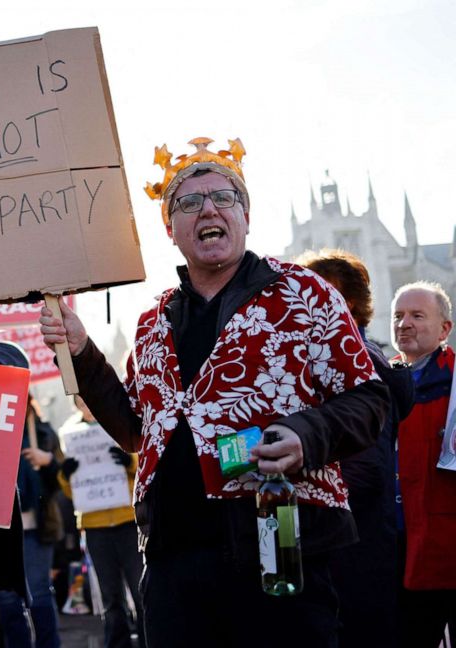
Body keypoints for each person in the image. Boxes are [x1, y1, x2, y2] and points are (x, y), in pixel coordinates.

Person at [39, 137, 389, 647]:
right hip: (172, 566)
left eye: (224, 197)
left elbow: (369, 398)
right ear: (170, 228)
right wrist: (82, 352)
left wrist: (305, 434)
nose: (209, 209)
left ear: (245, 215)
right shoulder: (152, 320)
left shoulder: (304, 294)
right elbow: (137, 430)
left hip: (278, 551)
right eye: (189, 202)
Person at [297, 249, 414, 647]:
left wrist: (291, 474)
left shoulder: (360, 365)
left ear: (342, 305)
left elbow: (364, 471)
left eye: (309, 297)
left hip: (353, 552)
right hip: (343, 548)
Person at [0, 341, 63, 648]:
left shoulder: (42, 431)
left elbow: (64, 483)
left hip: (34, 529)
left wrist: (48, 461)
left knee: (38, 597)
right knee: (7, 602)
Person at [390, 281, 455, 647]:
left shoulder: (453, 381)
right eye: (398, 316)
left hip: (444, 545)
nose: (404, 324)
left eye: (417, 315)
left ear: (445, 328)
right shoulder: (381, 379)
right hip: (397, 544)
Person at [58, 397, 145, 648]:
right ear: (75, 405)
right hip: (94, 525)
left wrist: (129, 462)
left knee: (140, 590)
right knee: (110, 595)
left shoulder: (118, 423)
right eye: (81, 403)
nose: (87, 406)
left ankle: (148, 639)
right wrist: (66, 476)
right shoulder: (70, 434)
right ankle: (118, 643)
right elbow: (69, 489)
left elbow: (142, 467)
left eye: (89, 400)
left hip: (127, 519)